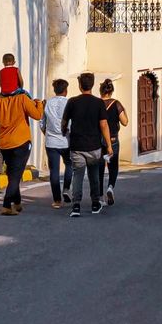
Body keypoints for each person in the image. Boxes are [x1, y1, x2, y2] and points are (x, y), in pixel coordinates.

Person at [0, 87, 44, 216]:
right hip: (21, 141)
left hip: (4, 143)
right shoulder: (23, 97)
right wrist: (39, 104)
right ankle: (6, 205)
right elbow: (37, 115)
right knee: (16, 175)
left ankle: (17, 202)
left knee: (12, 173)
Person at [62, 72, 113, 217]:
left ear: (79, 86)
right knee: (94, 175)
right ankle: (95, 203)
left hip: (77, 145)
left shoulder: (72, 101)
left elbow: (64, 122)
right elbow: (103, 124)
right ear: (92, 85)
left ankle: (76, 205)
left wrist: (63, 131)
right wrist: (108, 145)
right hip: (94, 146)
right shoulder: (98, 103)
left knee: (77, 175)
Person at [41, 78, 72, 208]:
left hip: (51, 142)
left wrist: (47, 134)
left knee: (54, 170)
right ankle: (66, 188)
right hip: (66, 140)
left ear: (55, 90)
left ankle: (57, 200)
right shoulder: (69, 103)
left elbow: (42, 124)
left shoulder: (48, 103)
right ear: (65, 90)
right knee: (69, 164)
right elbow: (71, 123)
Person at [99, 79, 128, 206]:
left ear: (101, 91)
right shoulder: (116, 104)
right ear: (111, 91)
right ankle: (110, 187)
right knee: (113, 166)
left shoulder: (97, 103)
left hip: (98, 140)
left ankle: (99, 196)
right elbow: (125, 122)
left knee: (99, 168)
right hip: (113, 139)